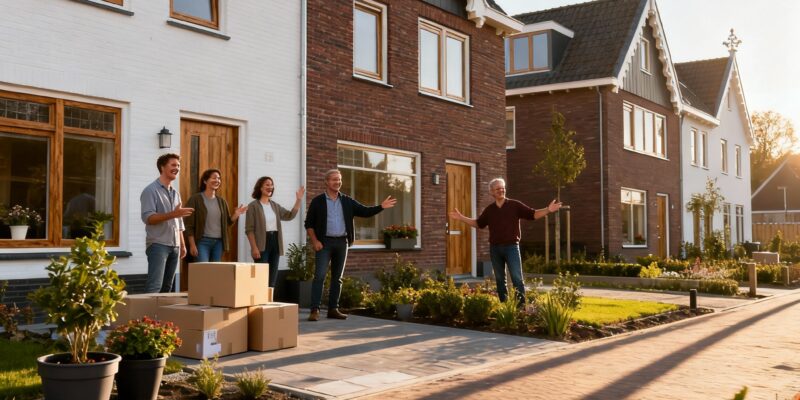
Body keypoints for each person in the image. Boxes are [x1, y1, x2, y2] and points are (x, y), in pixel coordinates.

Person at [449, 178, 561, 305]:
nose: (501, 190)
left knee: (517, 278)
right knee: (500, 280)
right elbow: (479, 224)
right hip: (495, 248)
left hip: (512, 247)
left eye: (503, 188)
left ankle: (521, 308)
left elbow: (533, 214)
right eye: (498, 189)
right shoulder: (490, 210)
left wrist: (548, 210)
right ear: (492, 192)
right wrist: (461, 218)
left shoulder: (515, 205)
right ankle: (505, 306)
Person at [304, 169, 397, 321]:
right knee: (319, 276)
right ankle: (315, 310)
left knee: (337, 278)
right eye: (334, 179)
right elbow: (309, 224)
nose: (338, 182)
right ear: (326, 182)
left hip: (342, 243)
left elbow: (365, 211)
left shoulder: (347, 201)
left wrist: (381, 206)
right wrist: (315, 241)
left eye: (339, 179)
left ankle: (333, 309)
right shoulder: (318, 201)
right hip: (324, 243)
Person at [140, 153, 194, 293]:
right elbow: (148, 218)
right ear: (162, 167)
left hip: (174, 246)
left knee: (167, 288)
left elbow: (179, 221)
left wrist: (182, 245)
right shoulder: (150, 190)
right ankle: (147, 315)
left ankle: (162, 315)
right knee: (154, 287)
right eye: (173, 165)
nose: (177, 168)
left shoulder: (175, 192)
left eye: (178, 165)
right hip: (158, 245)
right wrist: (173, 214)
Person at [245, 176, 305, 288]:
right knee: (261, 276)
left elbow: (289, 215)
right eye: (267, 184)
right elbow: (249, 229)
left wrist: (298, 199)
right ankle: (259, 302)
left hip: (275, 241)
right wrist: (254, 247)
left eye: (271, 185)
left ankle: (269, 302)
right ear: (260, 187)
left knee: (272, 277)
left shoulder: (274, 205)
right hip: (262, 243)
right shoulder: (253, 206)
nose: (270, 187)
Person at [183, 169, 247, 262]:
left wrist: (236, 214)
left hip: (218, 243)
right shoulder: (195, 199)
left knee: (215, 272)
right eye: (214, 178)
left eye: (219, 178)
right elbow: (188, 225)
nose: (217, 180)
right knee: (203, 271)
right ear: (205, 181)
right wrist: (192, 245)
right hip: (202, 243)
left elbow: (227, 223)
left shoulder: (222, 201)